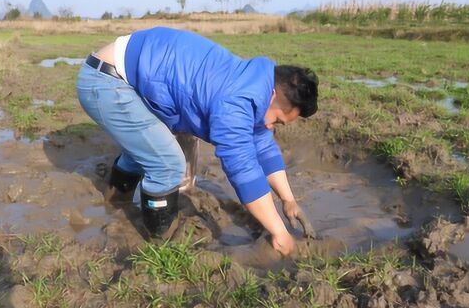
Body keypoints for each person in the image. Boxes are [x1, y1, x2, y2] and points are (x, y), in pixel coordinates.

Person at [76, 27, 318, 256]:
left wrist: (288, 201)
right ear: (274, 93)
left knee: (148, 148)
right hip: (106, 81)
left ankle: (116, 203)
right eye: (276, 119)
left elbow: (262, 146)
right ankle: (159, 242)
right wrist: (279, 232)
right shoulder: (237, 101)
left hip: (122, 76)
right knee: (167, 164)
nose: (269, 127)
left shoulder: (254, 83)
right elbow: (243, 170)